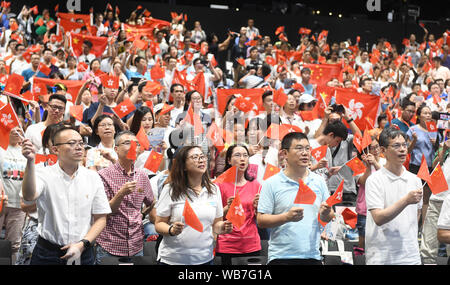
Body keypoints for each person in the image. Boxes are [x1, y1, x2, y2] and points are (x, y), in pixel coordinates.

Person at [21, 126, 111, 265]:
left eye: (81, 142)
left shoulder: (93, 177)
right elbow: (28, 196)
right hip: (48, 252)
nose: (79, 147)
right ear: (55, 149)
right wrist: (30, 161)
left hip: (82, 251)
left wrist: (83, 244)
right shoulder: (43, 174)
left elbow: (101, 218)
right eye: (71, 143)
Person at [257, 132, 334, 265]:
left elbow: (329, 215)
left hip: (313, 255)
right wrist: (286, 217)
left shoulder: (319, 181)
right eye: (299, 148)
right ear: (285, 153)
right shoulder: (271, 183)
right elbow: (261, 220)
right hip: (281, 257)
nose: (305, 153)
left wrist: (326, 213)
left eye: (307, 148)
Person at [154, 146, 233, 265]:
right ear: (184, 166)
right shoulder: (170, 189)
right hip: (174, 260)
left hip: (205, 259)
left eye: (202, 156)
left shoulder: (214, 189)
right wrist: (171, 230)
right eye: (195, 157)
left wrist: (223, 227)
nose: (201, 160)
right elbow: (159, 224)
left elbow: (216, 224)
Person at [365, 127, 423, 265]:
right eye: (396, 145)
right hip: (381, 256)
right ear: (383, 151)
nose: (403, 149)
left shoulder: (415, 179)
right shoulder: (374, 180)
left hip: (410, 256)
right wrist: (406, 200)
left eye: (404, 145)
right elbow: (378, 218)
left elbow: (417, 213)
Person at [95, 131, 154, 264]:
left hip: (136, 244)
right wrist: (121, 194)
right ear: (116, 149)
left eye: (136, 144)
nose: (133, 147)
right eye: (127, 143)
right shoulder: (103, 175)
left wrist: (142, 215)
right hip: (110, 245)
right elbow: (104, 211)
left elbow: (151, 202)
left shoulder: (142, 175)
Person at [215, 144, 262, 265]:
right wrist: (227, 208)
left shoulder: (256, 185)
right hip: (227, 245)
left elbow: (260, 218)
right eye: (238, 155)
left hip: (251, 244)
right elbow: (213, 218)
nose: (242, 158)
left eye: (245, 155)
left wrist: (258, 207)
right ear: (229, 160)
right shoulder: (218, 184)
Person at [0, 125, 27, 264]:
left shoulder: (25, 152)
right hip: (1, 203)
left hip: (19, 204)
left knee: (14, 244)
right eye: (13, 130)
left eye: (19, 129)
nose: (17, 132)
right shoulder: (1, 149)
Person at [354, 136, 385, 251]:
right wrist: (368, 166)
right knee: (363, 242)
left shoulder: (385, 162)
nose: (376, 150)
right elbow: (363, 182)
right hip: (364, 209)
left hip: (382, 208)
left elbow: (387, 178)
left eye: (377, 146)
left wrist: (375, 164)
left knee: (380, 242)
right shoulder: (359, 164)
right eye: (372, 148)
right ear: (366, 151)